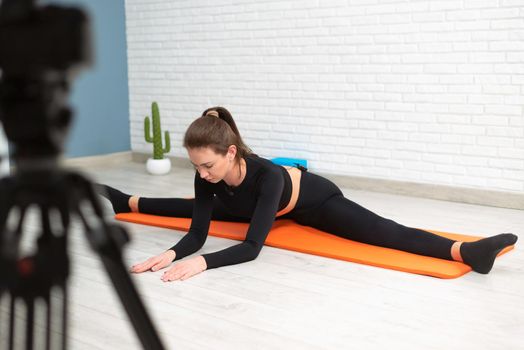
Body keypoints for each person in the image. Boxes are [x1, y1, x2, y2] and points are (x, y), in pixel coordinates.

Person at [98, 107, 518, 282]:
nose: (201, 173)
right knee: (198, 204)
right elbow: (196, 231)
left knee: (381, 230)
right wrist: (172, 254)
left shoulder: (267, 176)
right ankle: (127, 201)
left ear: (230, 152)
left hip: (313, 202)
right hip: (253, 202)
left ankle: (466, 251)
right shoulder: (207, 175)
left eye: (208, 165)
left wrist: (202, 264)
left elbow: (251, 248)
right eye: (196, 166)